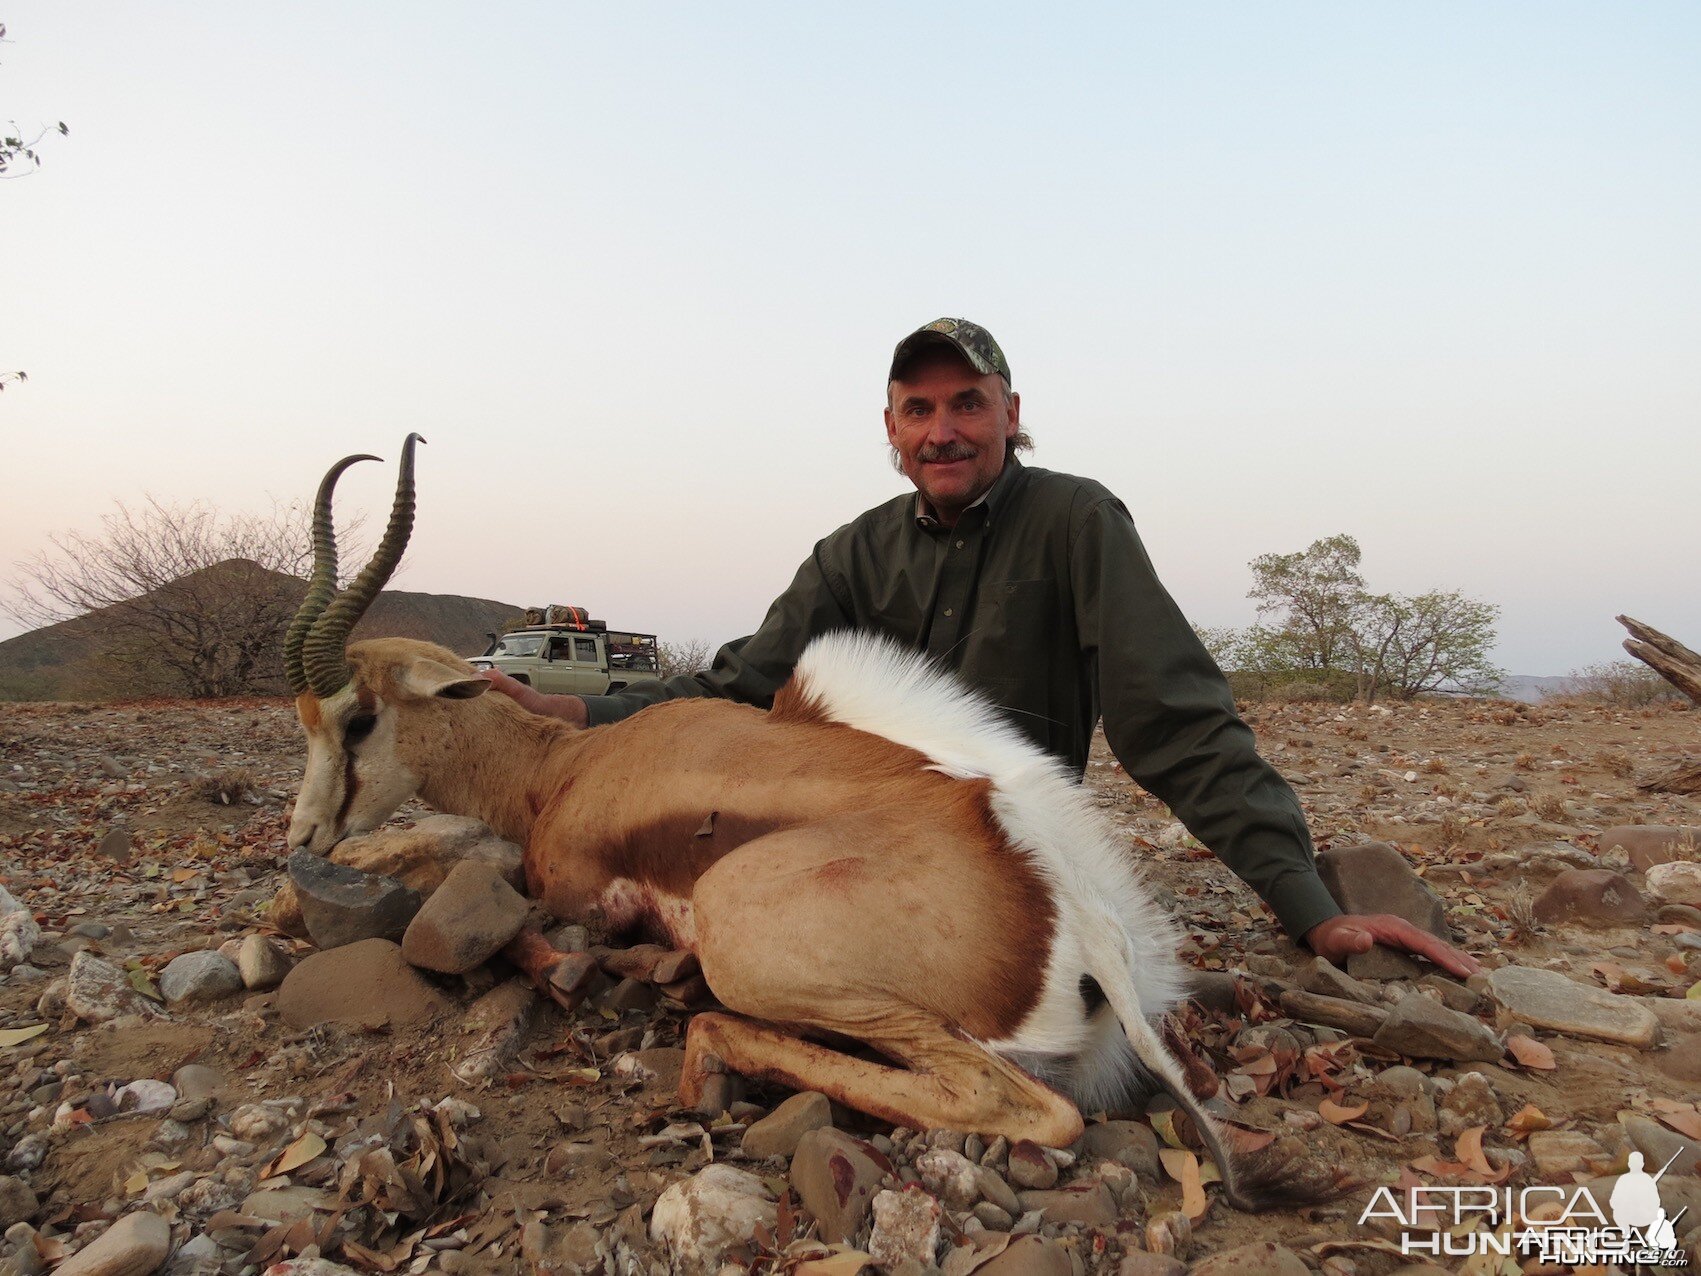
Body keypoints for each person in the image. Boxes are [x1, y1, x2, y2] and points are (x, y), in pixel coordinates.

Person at [486, 317, 1478, 976]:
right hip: (856, 844)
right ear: (890, 428)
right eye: (920, 409)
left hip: (1003, 852)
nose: (945, 429)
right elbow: (733, 688)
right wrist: (574, 714)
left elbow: (1173, 719)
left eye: (968, 403)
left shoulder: (1078, 523)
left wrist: (1307, 906)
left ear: (1011, 411)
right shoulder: (852, 555)